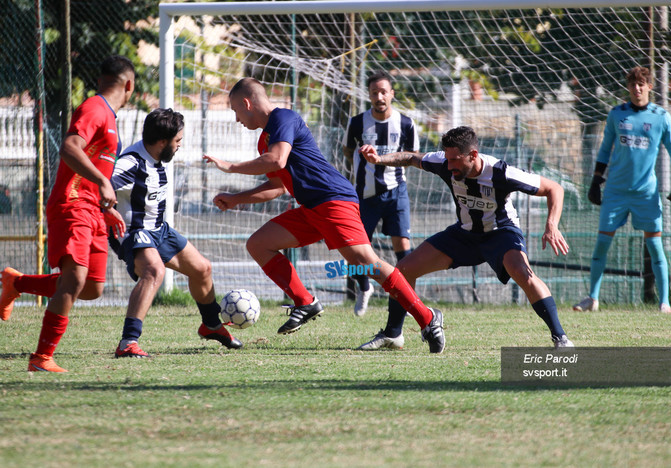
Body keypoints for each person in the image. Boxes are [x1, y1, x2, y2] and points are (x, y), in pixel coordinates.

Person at [203, 77, 446, 353]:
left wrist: (230, 167)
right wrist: (236, 199)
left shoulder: (283, 117)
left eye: (235, 110)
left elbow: (277, 160)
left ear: (246, 103)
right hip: (311, 209)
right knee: (258, 244)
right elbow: (278, 186)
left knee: (368, 263)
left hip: (333, 200)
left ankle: (428, 319)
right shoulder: (265, 140)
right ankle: (304, 301)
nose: (236, 119)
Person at [357, 125, 574, 350]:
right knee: (402, 270)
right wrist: (378, 159)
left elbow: (554, 188)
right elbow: (412, 157)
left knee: (522, 273)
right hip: (464, 235)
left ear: (473, 155)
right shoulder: (444, 163)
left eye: (455, 160)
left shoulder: (501, 172)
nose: (449, 166)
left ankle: (561, 339)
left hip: (501, 234)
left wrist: (551, 225)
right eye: (447, 159)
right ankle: (393, 335)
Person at [0, 55, 134, 372]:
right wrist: (103, 181)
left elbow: (92, 168)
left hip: (95, 211)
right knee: (73, 280)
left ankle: (16, 284)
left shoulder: (110, 118)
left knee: (91, 288)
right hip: (72, 206)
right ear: (128, 85)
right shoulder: (95, 108)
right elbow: (70, 147)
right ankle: (41, 357)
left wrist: (107, 205)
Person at [109, 108, 242, 359]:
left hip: (158, 230)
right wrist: (107, 210)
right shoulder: (131, 162)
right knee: (154, 271)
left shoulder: (156, 158)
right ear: (162, 142)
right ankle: (128, 341)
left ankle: (211, 325)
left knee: (202, 268)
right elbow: (99, 185)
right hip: (133, 232)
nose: (180, 145)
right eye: (177, 140)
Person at [573, 66, 671, 314]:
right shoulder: (617, 115)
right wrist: (595, 181)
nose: (636, 88)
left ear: (649, 86)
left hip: (646, 193)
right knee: (602, 243)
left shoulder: (661, 117)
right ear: (628, 87)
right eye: (632, 84)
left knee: (655, 247)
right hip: (615, 191)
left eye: (641, 83)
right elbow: (604, 150)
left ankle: (664, 302)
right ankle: (592, 299)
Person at [341, 71, 418, 317]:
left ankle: (405, 298)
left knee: (402, 246)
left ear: (392, 94)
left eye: (383, 91)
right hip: (364, 196)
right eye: (374, 92)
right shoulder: (356, 122)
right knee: (354, 249)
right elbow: (347, 151)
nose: (379, 97)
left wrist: (383, 159)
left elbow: (413, 158)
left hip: (396, 192)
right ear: (370, 95)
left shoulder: (406, 123)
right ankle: (364, 288)